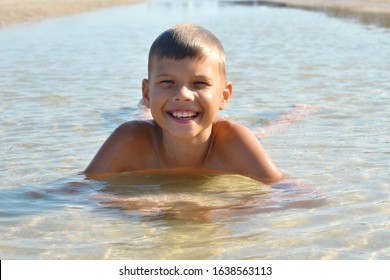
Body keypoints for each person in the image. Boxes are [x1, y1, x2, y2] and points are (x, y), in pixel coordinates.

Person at [84, 23, 282, 183]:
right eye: (167, 82)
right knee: (144, 116)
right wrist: (136, 204)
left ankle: (294, 113)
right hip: (157, 116)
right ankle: (144, 106)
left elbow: (288, 193)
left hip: (184, 117)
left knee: (262, 133)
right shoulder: (130, 139)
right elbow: (80, 191)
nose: (183, 94)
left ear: (224, 96)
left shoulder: (234, 141)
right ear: (147, 92)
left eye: (199, 83)